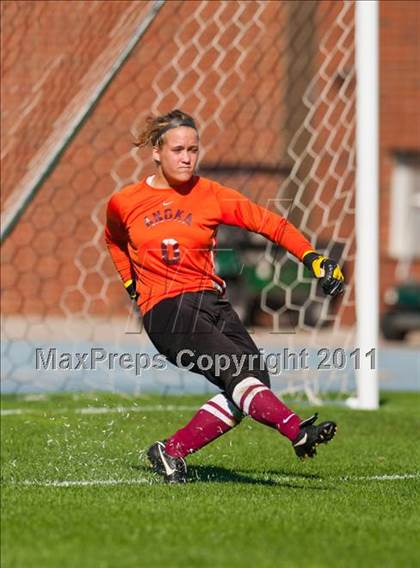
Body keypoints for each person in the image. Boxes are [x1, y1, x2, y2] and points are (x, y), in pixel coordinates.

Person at [105, 109, 344, 484]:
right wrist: (131, 284)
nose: (186, 158)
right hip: (167, 311)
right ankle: (297, 430)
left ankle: (171, 452)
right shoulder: (125, 201)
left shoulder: (211, 195)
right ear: (156, 151)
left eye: (193, 150)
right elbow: (114, 240)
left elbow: (271, 223)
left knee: (254, 377)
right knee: (239, 375)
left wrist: (313, 258)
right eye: (178, 149)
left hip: (211, 302)